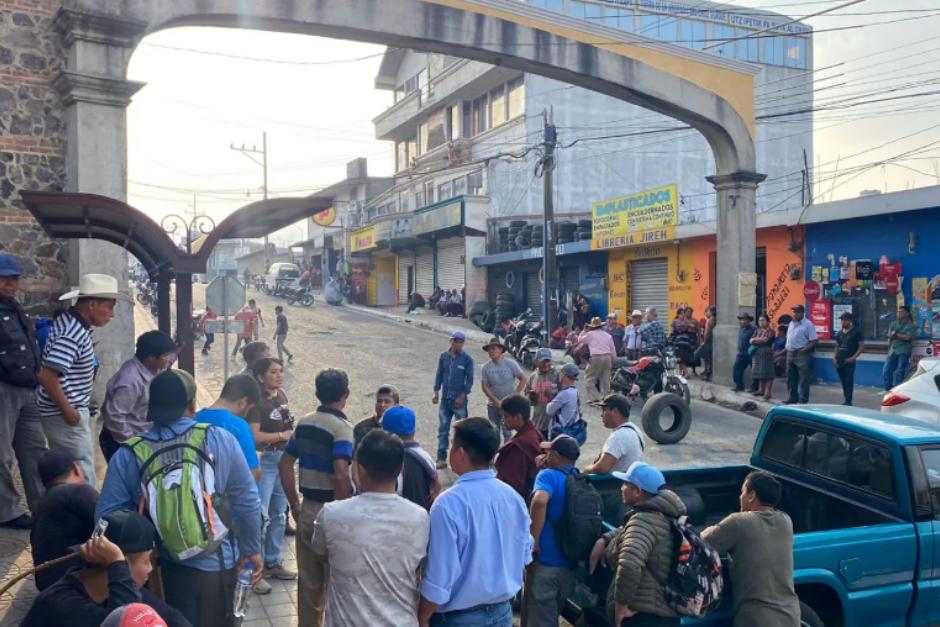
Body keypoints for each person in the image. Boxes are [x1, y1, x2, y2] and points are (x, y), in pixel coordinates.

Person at [96, 369, 262, 627]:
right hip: (217, 565)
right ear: (192, 404)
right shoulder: (218, 438)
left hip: (164, 569)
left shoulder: (129, 454)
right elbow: (248, 500)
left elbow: (106, 518)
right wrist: (251, 550)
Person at [418, 417, 533, 627]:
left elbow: (439, 577)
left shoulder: (448, 504)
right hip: (502, 613)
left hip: (459, 619)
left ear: (460, 453)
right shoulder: (513, 498)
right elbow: (525, 555)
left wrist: (422, 617)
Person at [313, 429, 429, 627]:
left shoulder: (332, 514)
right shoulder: (419, 517)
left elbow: (321, 553)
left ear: (361, 470)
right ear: (401, 468)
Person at [22, 510, 191, 627]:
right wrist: (117, 562)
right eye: (147, 561)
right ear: (121, 565)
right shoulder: (63, 606)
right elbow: (127, 619)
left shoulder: (114, 590)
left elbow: (174, 618)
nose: (150, 569)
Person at [279, 368, 354, 627]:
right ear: (346, 394)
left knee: (309, 584)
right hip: (333, 512)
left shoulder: (304, 423)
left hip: (308, 509)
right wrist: (343, 510)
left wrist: (295, 506)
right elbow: (342, 474)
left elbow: (285, 464)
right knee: (337, 585)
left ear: (316, 393)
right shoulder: (342, 429)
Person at [37, 273, 125, 489]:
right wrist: (69, 411)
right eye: (109, 307)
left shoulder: (72, 324)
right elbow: (47, 376)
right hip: (65, 414)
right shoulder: (72, 333)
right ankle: (87, 517)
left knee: (75, 467)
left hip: (67, 410)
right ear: (92, 304)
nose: (112, 314)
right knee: (81, 470)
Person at [588, 462, 685, 626]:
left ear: (638, 491)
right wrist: (605, 539)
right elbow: (631, 530)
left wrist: (621, 605)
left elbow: (630, 564)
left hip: (644, 616)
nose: (621, 488)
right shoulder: (665, 515)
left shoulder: (643, 520)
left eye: (626, 484)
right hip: (665, 615)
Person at [703, 471, 801, 627]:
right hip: (790, 616)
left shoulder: (739, 522)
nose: (740, 497)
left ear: (752, 496)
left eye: (742, 492)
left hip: (756, 619)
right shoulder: (785, 521)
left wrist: (710, 529)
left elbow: (701, 543)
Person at [0, 254, 47, 529]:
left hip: (27, 388)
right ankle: (7, 511)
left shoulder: (14, 308)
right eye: (5, 278)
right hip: (4, 388)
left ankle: (43, 506)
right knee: (2, 455)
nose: (10, 283)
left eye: (13, 278)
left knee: (34, 451)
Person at [249, 357, 297, 593]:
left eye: (280, 371)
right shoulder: (256, 403)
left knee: (279, 513)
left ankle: (273, 560)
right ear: (260, 377)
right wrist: (281, 437)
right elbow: (254, 436)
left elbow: (289, 425)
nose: (279, 376)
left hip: (282, 460)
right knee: (261, 515)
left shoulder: (281, 396)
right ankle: (254, 571)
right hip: (265, 460)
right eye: (273, 372)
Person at [526, 435, 581, 627]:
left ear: (556, 455)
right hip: (569, 564)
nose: (545, 454)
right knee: (553, 613)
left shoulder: (548, 476)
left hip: (546, 562)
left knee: (541, 618)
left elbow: (540, 501)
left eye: (549, 452)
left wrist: (534, 540)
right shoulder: (578, 478)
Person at [100, 330, 177, 461]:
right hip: (120, 441)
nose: (169, 360)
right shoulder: (130, 381)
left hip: (142, 435)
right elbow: (115, 417)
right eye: (166, 356)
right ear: (151, 357)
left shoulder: (152, 369)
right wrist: (133, 445)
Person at [30, 449, 98, 590]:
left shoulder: (41, 504)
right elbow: (112, 521)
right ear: (76, 468)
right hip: (73, 583)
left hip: (47, 585)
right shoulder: (77, 491)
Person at [194, 375, 261, 480]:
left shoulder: (194, 418)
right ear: (243, 402)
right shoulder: (239, 426)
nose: (247, 414)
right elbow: (251, 474)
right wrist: (257, 461)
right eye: (249, 409)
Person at [381, 405, 440, 509]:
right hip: (423, 517)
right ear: (413, 431)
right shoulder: (425, 456)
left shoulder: (392, 460)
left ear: (386, 433)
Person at [432, 331, 474, 468]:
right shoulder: (444, 357)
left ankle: (463, 459)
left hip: (459, 400)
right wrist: (436, 392)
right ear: (451, 341)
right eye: (455, 341)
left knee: (462, 430)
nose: (458, 344)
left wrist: (463, 396)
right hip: (445, 399)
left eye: (461, 342)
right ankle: (441, 458)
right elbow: (439, 374)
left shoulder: (467, 360)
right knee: (443, 429)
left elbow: (470, 380)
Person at [494, 394, 543, 501]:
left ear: (518, 417)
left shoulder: (518, 446)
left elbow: (512, 484)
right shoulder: (534, 432)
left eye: (506, 416)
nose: (503, 420)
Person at [583, 393, 644, 474]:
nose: (601, 415)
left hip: (617, 484)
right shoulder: (635, 429)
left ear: (614, 411)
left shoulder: (619, 435)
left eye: (604, 410)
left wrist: (586, 469)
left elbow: (602, 468)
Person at [480, 336, 526, 442]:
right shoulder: (486, 367)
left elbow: (523, 379)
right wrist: (496, 401)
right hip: (492, 405)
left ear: (501, 349)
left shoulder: (510, 364)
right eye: (489, 349)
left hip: (509, 405)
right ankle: (493, 457)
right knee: (493, 432)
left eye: (494, 348)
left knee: (507, 431)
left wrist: (514, 395)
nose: (491, 351)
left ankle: (507, 456)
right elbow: (484, 386)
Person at [785, 304, 818, 404]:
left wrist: (805, 349)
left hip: (802, 353)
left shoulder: (808, 324)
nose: (795, 314)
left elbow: (814, 340)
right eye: (794, 312)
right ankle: (792, 397)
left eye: (797, 312)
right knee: (790, 377)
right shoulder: (791, 323)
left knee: (804, 379)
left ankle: (803, 400)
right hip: (790, 352)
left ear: (802, 313)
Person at [578, 317, 617, 402]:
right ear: (601, 326)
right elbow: (612, 349)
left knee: (589, 379)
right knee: (606, 379)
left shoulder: (590, 334)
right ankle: (608, 398)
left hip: (596, 357)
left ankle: (595, 398)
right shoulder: (607, 335)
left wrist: (584, 330)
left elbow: (580, 339)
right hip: (607, 357)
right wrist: (614, 359)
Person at [546, 363, 585, 443]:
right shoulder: (575, 391)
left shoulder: (565, 394)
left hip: (559, 434)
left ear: (564, 375)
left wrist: (550, 398)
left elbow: (549, 410)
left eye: (560, 372)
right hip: (569, 432)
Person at [524, 348, 559, 436]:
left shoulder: (558, 375)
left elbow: (565, 398)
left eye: (548, 361)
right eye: (543, 361)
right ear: (536, 361)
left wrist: (551, 396)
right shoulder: (533, 376)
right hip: (537, 423)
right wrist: (531, 397)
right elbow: (527, 396)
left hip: (554, 424)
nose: (546, 364)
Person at [834, 312, 865, 406]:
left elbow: (861, 347)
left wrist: (853, 357)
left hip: (849, 361)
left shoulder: (856, 332)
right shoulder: (839, 333)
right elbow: (837, 346)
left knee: (848, 381)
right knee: (843, 381)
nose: (842, 322)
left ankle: (848, 401)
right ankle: (845, 398)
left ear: (849, 321)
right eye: (841, 320)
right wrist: (834, 357)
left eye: (844, 320)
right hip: (839, 360)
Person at [884, 305, 917, 390]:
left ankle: (897, 390)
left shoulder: (911, 326)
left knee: (900, 371)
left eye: (901, 312)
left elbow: (908, 338)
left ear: (907, 314)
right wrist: (898, 336)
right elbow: (889, 336)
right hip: (893, 350)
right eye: (898, 312)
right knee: (886, 370)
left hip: (904, 351)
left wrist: (896, 335)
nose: (899, 313)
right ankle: (888, 389)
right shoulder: (893, 324)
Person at [749, 314, 776, 401]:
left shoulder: (770, 331)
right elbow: (751, 340)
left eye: (763, 320)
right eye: (760, 320)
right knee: (760, 372)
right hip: (757, 352)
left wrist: (755, 340)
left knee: (768, 372)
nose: (761, 322)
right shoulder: (757, 330)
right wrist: (755, 340)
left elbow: (765, 340)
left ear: (768, 321)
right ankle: (761, 390)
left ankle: (768, 392)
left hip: (767, 352)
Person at [732, 312, 759, 394]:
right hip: (741, 353)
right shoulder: (741, 329)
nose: (743, 321)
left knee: (754, 371)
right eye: (742, 320)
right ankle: (739, 386)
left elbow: (756, 339)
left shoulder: (754, 329)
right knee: (736, 369)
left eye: (745, 320)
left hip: (751, 353)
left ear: (749, 321)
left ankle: (755, 387)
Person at [694, 306, 717, 380]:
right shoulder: (716, 319)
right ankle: (707, 373)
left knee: (697, 354)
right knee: (709, 358)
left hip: (708, 341)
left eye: (708, 311)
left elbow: (707, 332)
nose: (707, 313)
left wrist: (704, 341)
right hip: (713, 342)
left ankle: (708, 374)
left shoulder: (710, 320)